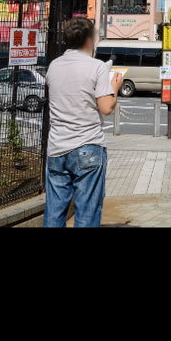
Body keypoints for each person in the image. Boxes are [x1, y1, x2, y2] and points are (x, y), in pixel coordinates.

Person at [43, 17, 118, 228]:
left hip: (57, 148)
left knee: (54, 212)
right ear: (88, 39)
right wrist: (115, 86)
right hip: (88, 146)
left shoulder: (54, 66)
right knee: (87, 212)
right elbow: (106, 108)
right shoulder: (97, 67)